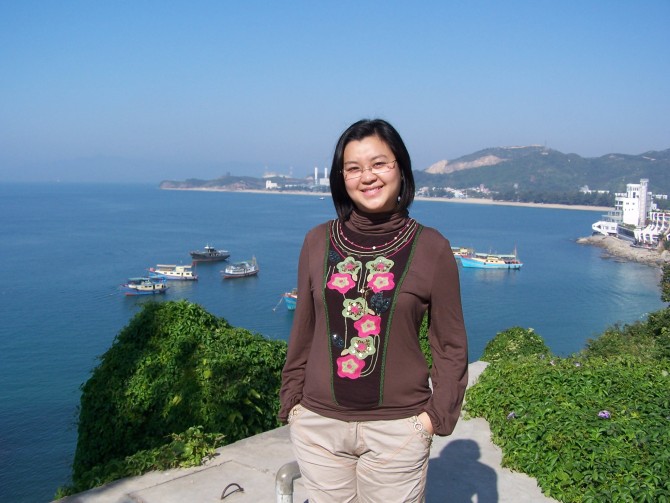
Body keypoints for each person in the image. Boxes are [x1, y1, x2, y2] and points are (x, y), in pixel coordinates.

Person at [279, 118, 468, 502]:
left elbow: (450, 344)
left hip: (398, 430)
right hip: (318, 425)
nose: (367, 177)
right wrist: (293, 404)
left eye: (379, 163)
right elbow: (304, 330)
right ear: (341, 178)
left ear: (401, 167)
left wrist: (433, 419)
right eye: (353, 168)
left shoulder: (431, 248)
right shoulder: (317, 241)